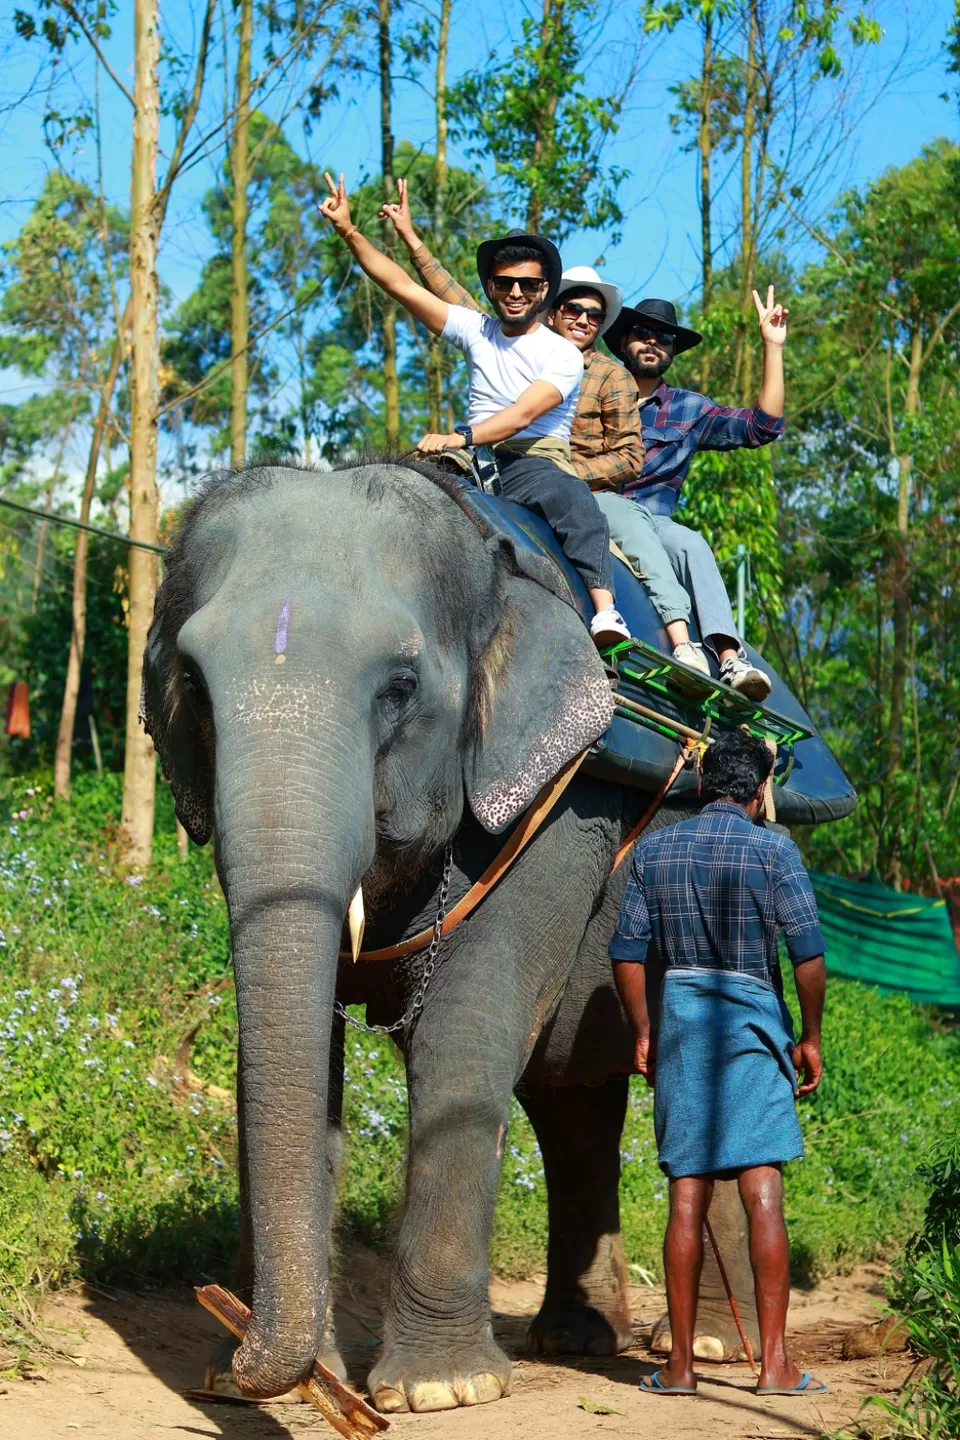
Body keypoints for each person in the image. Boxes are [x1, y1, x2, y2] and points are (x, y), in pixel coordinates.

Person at [380, 182, 757, 693]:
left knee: (637, 529)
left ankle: (679, 638)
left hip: (571, 479)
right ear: (547, 307)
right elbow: (448, 295)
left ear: (602, 327)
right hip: (496, 459)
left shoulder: (608, 375)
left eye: (593, 315)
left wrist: (563, 473)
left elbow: (630, 456)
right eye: (572, 310)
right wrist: (409, 236)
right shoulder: (509, 337)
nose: (581, 320)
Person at [319, 172, 630, 648]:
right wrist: (348, 230)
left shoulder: (562, 353)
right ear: (490, 285)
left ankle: (606, 611)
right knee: (399, 486)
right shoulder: (476, 329)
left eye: (528, 284)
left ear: (544, 290)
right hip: (471, 458)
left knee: (573, 500)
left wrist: (462, 436)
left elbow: (524, 414)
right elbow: (400, 284)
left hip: (533, 459)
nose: (516, 293)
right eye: (505, 283)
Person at [609, 729, 827, 1399]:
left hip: (683, 1022)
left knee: (687, 1192)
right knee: (763, 1187)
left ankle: (678, 1370)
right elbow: (808, 953)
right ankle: (774, 1368)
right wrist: (810, 1037)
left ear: (703, 787)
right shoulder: (774, 850)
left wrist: (644, 1030)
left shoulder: (656, 850)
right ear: (761, 790)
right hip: (755, 1019)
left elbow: (625, 952)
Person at [600, 297, 789, 700]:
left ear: (671, 350)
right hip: (595, 507)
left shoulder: (689, 409)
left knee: (691, 543)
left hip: (655, 519)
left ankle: (729, 658)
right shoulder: (591, 390)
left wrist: (772, 346)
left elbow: (763, 427)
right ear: (622, 342)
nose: (653, 342)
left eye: (665, 337)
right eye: (643, 333)